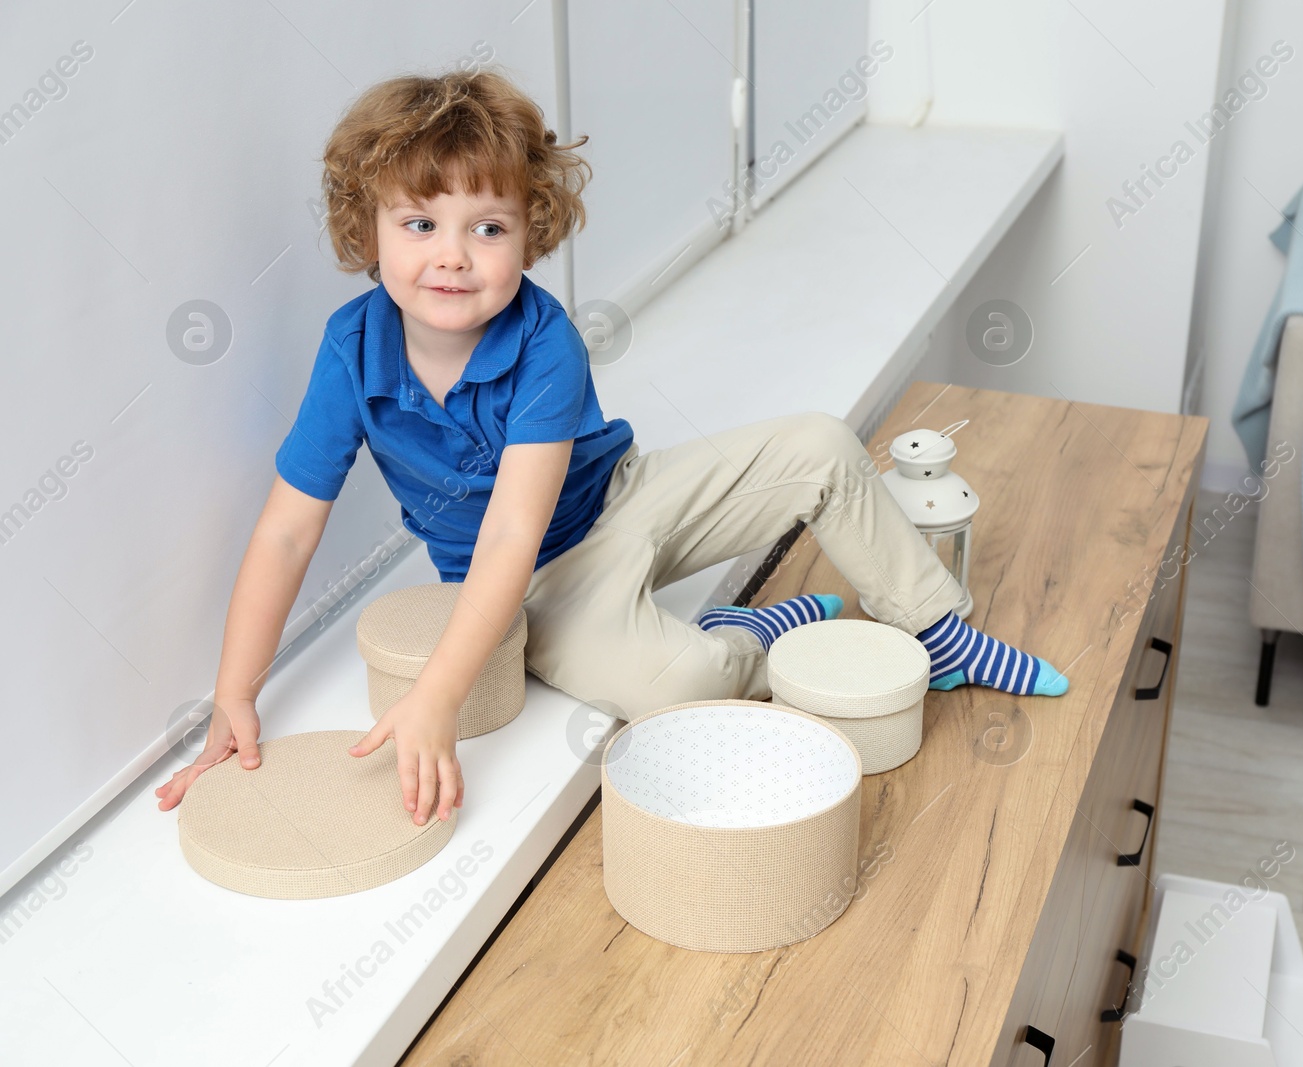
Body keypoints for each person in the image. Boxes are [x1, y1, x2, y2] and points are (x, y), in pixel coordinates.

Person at [155, 68, 1066, 829]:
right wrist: (236, 689)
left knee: (824, 445)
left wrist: (432, 695)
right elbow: (289, 533)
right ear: (370, 231)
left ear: (530, 232)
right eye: (420, 224)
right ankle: (752, 634)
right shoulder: (351, 351)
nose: (454, 257)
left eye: (489, 227)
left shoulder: (543, 337)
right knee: (687, 686)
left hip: (624, 494)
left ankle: (938, 633)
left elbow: (521, 513)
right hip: (540, 581)